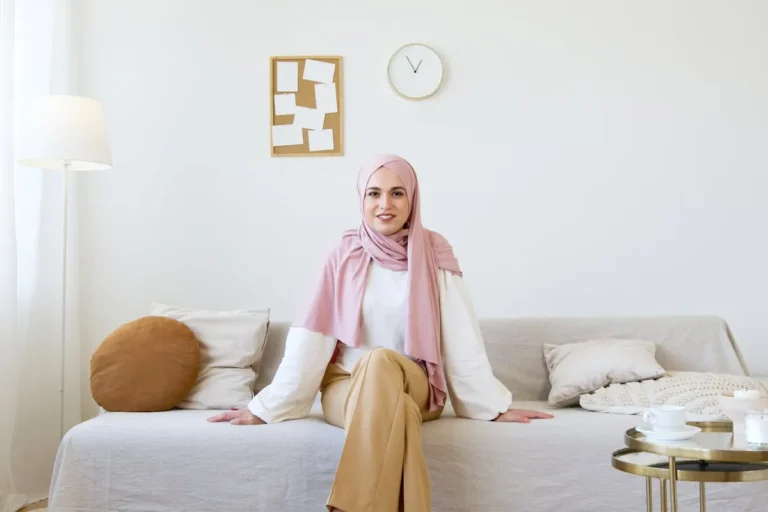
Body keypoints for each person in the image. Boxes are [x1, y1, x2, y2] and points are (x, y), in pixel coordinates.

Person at [208, 154, 554, 512]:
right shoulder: (343, 253)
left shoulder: (434, 251)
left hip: (415, 383)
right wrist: (266, 407)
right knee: (397, 412)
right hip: (345, 385)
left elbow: (460, 334)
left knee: (380, 360)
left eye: (397, 193)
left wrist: (491, 406)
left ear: (413, 199)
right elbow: (312, 335)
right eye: (374, 194)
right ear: (361, 199)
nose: (384, 204)